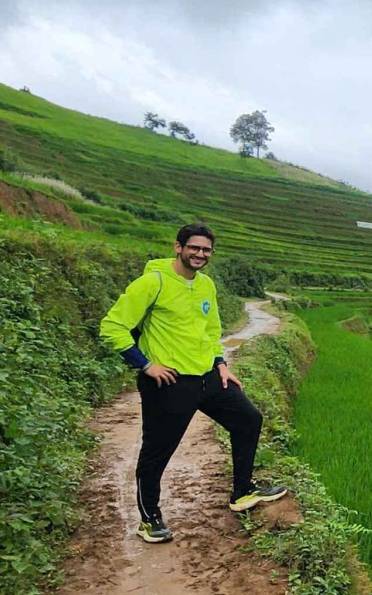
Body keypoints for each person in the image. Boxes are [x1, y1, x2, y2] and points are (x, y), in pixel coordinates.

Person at [99, 223, 287, 543]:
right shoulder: (153, 282)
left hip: (208, 379)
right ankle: (150, 518)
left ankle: (242, 491)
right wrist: (145, 365)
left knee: (248, 419)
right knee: (158, 451)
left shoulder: (206, 285)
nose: (200, 254)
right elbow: (112, 327)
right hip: (169, 382)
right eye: (194, 248)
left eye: (206, 250)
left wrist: (221, 365)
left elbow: (211, 332)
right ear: (179, 247)